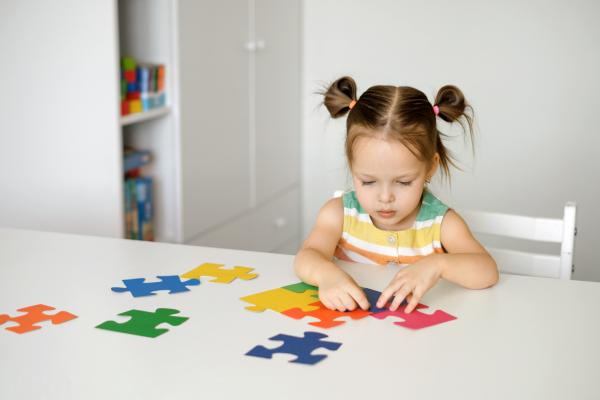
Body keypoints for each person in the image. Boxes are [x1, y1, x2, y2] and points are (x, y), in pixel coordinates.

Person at [294, 76, 499, 314]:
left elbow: (487, 270)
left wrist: (439, 265)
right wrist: (326, 276)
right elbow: (306, 257)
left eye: (403, 182)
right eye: (368, 181)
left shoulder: (442, 224)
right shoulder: (338, 213)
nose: (385, 197)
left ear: (430, 167)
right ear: (352, 167)